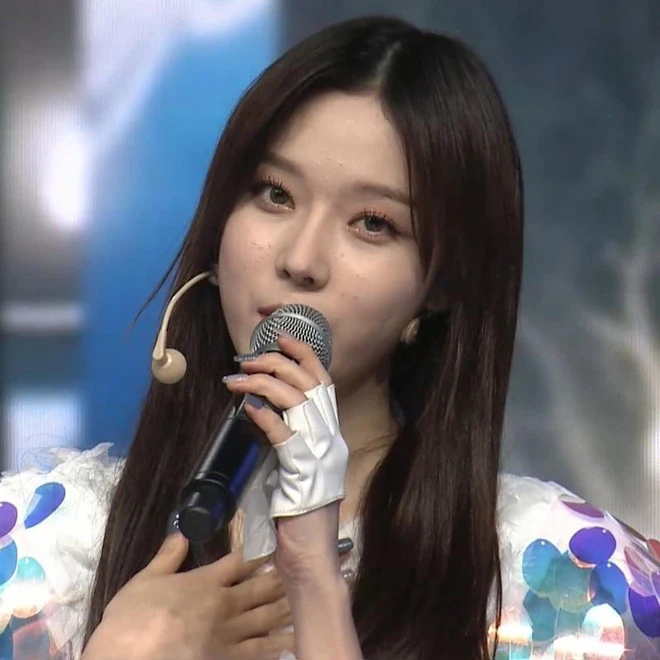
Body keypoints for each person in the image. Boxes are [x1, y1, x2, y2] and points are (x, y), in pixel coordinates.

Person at [0, 15, 658, 660]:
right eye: (274, 194)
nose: (301, 259)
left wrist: (315, 579)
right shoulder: (44, 555)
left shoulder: (558, 585)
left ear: (441, 288)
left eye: (373, 223)